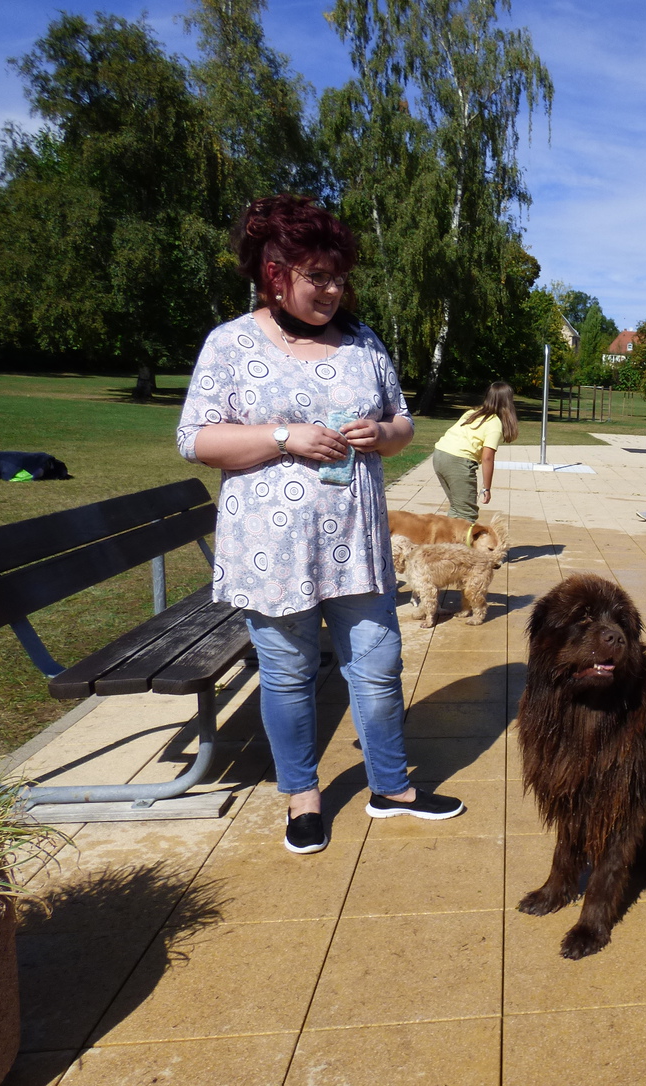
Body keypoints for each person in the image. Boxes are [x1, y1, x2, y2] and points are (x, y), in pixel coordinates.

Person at [177, 194, 463, 856]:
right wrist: (284, 437)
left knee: (379, 663)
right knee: (287, 672)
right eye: (318, 278)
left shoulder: (362, 342)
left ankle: (392, 787)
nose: (333, 291)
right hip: (271, 549)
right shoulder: (231, 343)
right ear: (275, 272)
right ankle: (301, 797)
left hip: (356, 546)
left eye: (339, 278)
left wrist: (383, 432)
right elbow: (196, 439)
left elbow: (403, 423)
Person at [431, 382, 520, 522]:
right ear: (508, 402)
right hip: (457, 461)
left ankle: (449, 541)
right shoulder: (495, 423)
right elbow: (487, 458)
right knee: (467, 514)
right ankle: (459, 543)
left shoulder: (473, 412)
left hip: (440, 455)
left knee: (458, 508)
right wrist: (487, 488)